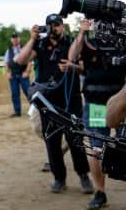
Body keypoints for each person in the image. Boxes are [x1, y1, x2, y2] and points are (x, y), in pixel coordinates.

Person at [15, 13, 92, 194]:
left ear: (62, 26)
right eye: (50, 25)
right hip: (48, 101)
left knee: (75, 139)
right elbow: (20, 61)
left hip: (71, 98)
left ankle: (84, 176)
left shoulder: (73, 42)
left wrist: (73, 67)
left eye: (57, 24)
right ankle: (59, 178)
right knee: (52, 141)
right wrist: (32, 38)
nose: (54, 28)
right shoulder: (40, 45)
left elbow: (83, 67)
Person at [68, 18, 126, 209]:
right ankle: (100, 192)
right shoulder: (89, 43)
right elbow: (72, 56)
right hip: (97, 107)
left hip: (120, 106)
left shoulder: (122, 43)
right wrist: (82, 33)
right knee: (96, 149)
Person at [4, 32, 32, 117]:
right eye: (13, 38)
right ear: (11, 39)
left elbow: (30, 61)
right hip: (13, 75)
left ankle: (35, 109)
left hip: (23, 74)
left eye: (16, 37)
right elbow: (6, 63)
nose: (15, 39)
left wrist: (27, 72)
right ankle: (17, 111)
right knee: (15, 94)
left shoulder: (25, 49)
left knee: (29, 92)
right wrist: (8, 72)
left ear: (19, 39)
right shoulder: (8, 50)